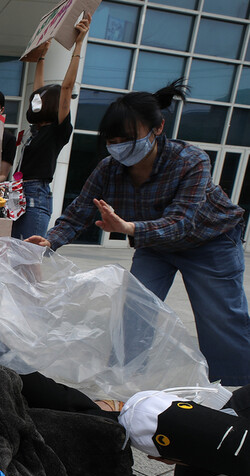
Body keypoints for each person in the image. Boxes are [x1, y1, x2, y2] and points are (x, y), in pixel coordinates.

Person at [25, 79, 250, 387]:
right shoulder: (108, 169)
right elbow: (81, 210)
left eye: (128, 137)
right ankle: (122, 377)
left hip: (209, 242)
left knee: (220, 317)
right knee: (134, 310)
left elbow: (182, 220)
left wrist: (129, 228)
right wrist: (51, 239)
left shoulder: (191, 161)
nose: (119, 145)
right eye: (113, 138)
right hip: (155, 246)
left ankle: (236, 388)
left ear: (157, 128)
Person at [14, 14, 91, 240]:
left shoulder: (58, 129)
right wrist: (41, 59)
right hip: (18, 192)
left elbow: (66, 88)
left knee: (30, 254)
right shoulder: (35, 129)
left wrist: (78, 44)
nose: (37, 100)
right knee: (13, 253)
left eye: (44, 99)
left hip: (36, 193)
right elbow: (37, 92)